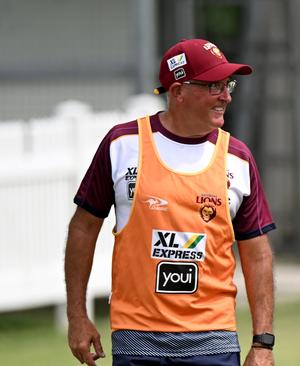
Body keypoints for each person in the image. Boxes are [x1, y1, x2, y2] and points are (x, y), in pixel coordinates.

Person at [65, 38, 276, 366]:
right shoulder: (121, 144)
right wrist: (77, 316)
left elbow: (257, 254)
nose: (226, 96)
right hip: (136, 340)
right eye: (213, 86)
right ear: (177, 92)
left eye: (227, 84)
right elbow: (83, 228)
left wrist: (263, 342)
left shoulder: (238, 158)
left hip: (213, 342)